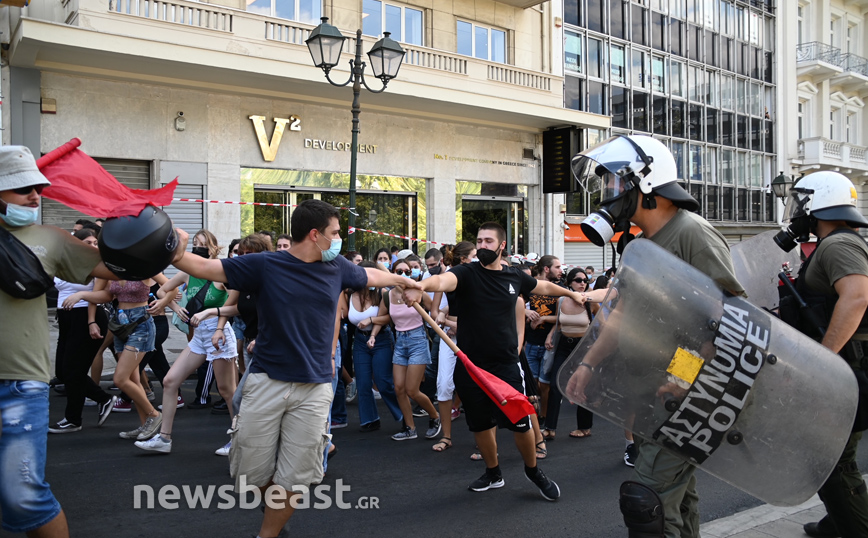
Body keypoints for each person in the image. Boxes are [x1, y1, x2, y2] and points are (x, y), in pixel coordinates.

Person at [168, 199, 420, 538]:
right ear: (315, 235)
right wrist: (175, 251)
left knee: (297, 476)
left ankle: (268, 533)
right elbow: (206, 269)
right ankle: (275, 510)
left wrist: (399, 281)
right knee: (247, 474)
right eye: (335, 233)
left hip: (315, 388)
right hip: (266, 382)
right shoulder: (265, 264)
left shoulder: (338, 268)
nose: (338, 240)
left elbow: (370, 274)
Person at [566, 134, 744, 538]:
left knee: (648, 500)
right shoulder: (642, 246)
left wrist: (684, 377)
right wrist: (589, 363)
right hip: (649, 393)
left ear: (645, 183)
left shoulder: (690, 233)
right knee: (679, 500)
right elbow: (623, 315)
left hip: (685, 397)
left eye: (613, 184)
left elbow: (728, 319)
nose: (607, 195)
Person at [403, 222, 583, 501]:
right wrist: (420, 285)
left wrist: (572, 293)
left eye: (489, 241)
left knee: (520, 422)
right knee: (481, 424)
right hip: (471, 366)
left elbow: (543, 285)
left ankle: (533, 471)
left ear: (501, 246)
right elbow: (441, 281)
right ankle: (493, 472)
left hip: (505, 365)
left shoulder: (513, 277)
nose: (483, 245)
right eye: (479, 241)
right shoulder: (465, 272)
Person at [0, 145, 124, 538]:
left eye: (37, 187)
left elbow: (117, 267)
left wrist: (156, 237)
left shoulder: (51, 239)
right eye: (22, 189)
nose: (35, 196)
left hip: (20, 385)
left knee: (23, 496)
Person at [774, 172, 868, 538]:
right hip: (849, 361)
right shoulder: (836, 244)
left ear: (819, 204)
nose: (797, 212)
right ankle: (838, 521)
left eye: (802, 202)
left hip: (847, 363)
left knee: (830, 461)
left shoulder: (836, 245)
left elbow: (857, 297)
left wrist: (824, 360)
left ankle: (854, 527)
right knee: (838, 454)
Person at [138, 229, 239, 455]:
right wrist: (175, 307)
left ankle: (238, 440)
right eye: (194, 243)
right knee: (170, 381)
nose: (197, 247)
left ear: (213, 247)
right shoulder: (186, 273)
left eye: (202, 244)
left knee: (227, 391)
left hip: (218, 334)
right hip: (200, 335)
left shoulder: (221, 274)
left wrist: (213, 314)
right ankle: (164, 439)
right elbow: (163, 289)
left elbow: (236, 306)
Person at [48, 228, 117, 433]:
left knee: (73, 370)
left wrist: (88, 313)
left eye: (95, 243)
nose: (94, 247)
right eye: (88, 243)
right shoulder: (64, 262)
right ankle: (102, 400)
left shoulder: (98, 265)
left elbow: (107, 295)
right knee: (62, 370)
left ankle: (74, 418)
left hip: (87, 318)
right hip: (66, 317)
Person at [340, 261, 402, 432]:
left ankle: (403, 415)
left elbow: (390, 318)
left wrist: (371, 320)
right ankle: (370, 419)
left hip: (382, 338)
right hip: (360, 341)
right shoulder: (347, 293)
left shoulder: (382, 293)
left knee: (383, 382)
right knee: (363, 383)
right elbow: (342, 314)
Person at [385, 258, 439, 441]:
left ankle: (435, 416)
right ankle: (410, 428)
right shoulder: (388, 295)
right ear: (393, 273)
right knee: (399, 388)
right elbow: (383, 318)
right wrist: (371, 328)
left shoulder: (418, 292)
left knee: (412, 390)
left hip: (417, 340)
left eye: (407, 272)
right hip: (400, 341)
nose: (403, 275)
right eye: (399, 271)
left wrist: (444, 320)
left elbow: (435, 310)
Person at [541, 268, 596, 441]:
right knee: (555, 384)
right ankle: (550, 428)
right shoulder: (562, 300)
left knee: (583, 385)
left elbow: (601, 323)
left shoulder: (590, 301)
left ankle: (585, 427)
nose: (582, 284)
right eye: (578, 280)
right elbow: (558, 321)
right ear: (569, 282)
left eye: (585, 281)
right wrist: (550, 336)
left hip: (583, 346)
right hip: (564, 345)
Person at [430, 241, 475, 453]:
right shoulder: (447, 277)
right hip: (450, 338)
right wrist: (446, 320)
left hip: (473, 335)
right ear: (464, 258)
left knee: (477, 385)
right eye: (474, 254)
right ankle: (446, 436)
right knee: (443, 385)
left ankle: (483, 440)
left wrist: (452, 322)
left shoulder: (477, 275)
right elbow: (434, 312)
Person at [525, 255, 563, 428]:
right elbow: (515, 306)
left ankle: (544, 417)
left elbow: (563, 317)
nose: (561, 271)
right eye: (557, 267)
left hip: (550, 345)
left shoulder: (560, 289)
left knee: (545, 386)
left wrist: (544, 319)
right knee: (532, 386)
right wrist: (526, 314)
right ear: (546, 269)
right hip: (530, 343)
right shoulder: (529, 287)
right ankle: (533, 418)